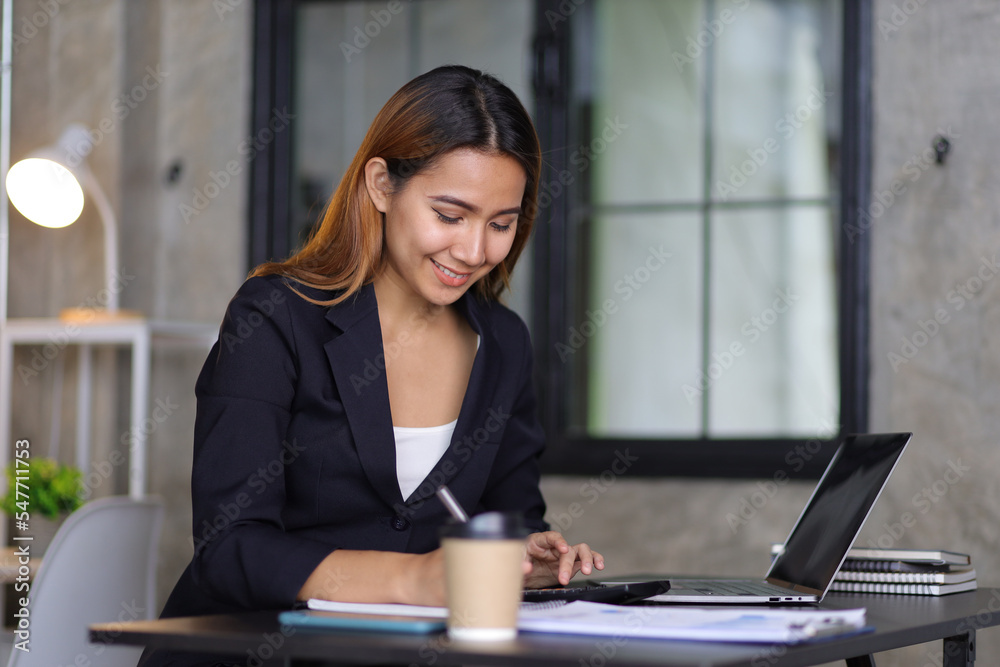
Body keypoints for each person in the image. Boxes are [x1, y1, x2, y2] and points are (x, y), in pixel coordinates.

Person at [140, 65, 603, 667]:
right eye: (449, 214)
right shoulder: (276, 317)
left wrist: (521, 558)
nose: (473, 251)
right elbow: (231, 548)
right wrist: (416, 580)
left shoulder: (504, 343)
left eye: (501, 225)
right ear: (382, 185)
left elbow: (505, 517)